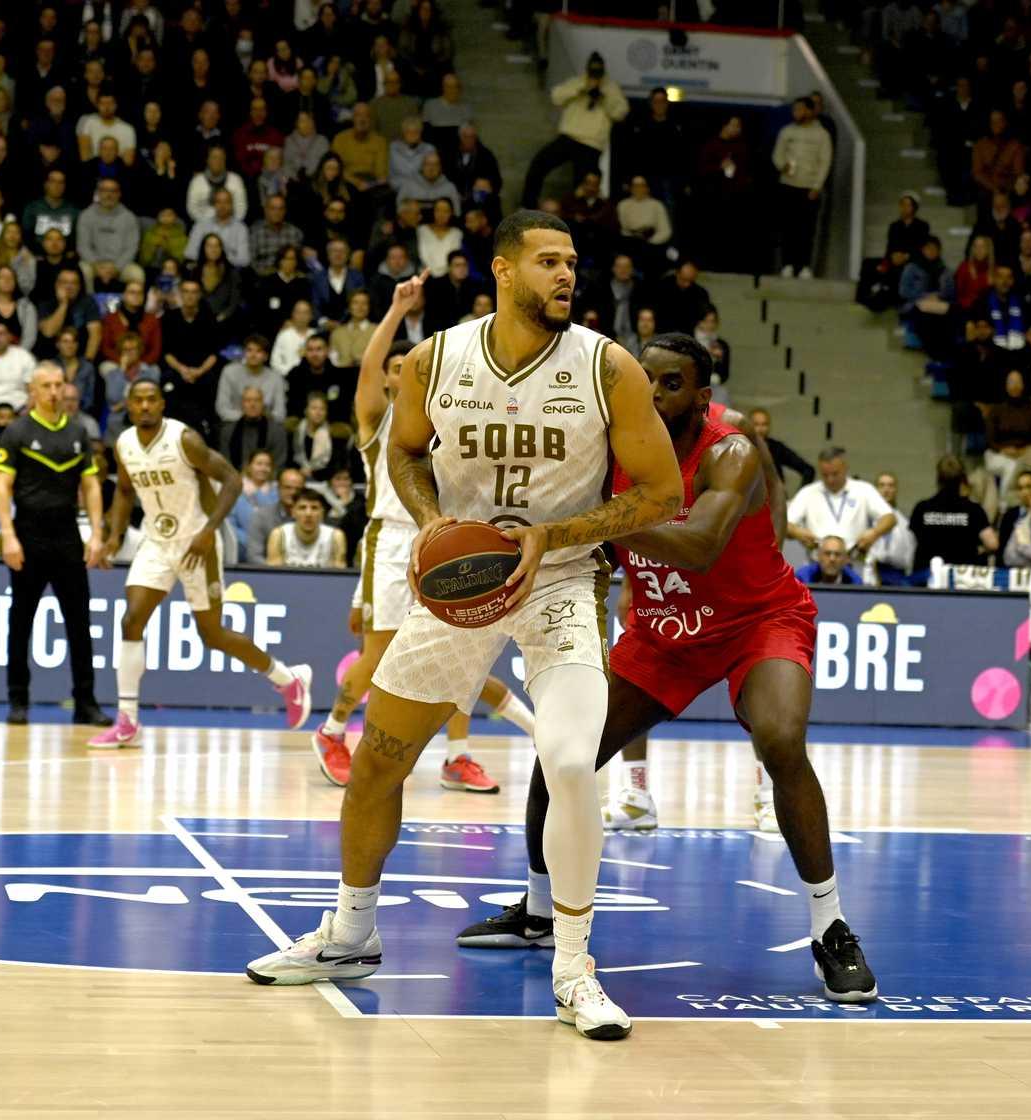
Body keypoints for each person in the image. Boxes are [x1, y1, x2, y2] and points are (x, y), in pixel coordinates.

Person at [245, 211, 684, 1044]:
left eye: (573, 264)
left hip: (561, 578)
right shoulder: (436, 358)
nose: (566, 275)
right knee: (379, 756)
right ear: (503, 270)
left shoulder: (606, 367)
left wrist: (551, 536)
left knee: (566, 761)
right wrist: (434, 525)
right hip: (463, 581)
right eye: (549, 261)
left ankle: (573, 966)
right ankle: (350, 932)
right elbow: (402, 453)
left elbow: (661, 494)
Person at [456, 333, 876, 1005]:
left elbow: (703, 545)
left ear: (701, 396)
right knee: (563, 749)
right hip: (663, 631)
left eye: (670, 384)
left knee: (780, 738)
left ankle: (831, 927)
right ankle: (540, 911)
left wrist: (589, 523)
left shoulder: (732, 450)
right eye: (643, 380)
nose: (651, 394)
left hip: (756, 619)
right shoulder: (609, 445)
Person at [309, 276, 533, 794]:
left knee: (458, 655)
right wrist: (395, 311)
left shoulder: (452, 419)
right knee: (380, 655)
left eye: (407, 367)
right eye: (395, 368)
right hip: (390, 543)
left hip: (446, 544)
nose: (399, 372)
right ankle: (333, 731)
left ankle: (458, 755)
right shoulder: (378, 417)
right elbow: (368, 369)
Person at [90, 379, 312, 749]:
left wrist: (210, 529)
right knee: (131, 619)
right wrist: (113, 535)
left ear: (162, 404)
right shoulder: (125, 444)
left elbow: (231, 480)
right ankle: (127, 719)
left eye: (151, 399)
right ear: (128, 406)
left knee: (212, 635)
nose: (145, 406)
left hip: (198, 543)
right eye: (138, 401)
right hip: (157, 541)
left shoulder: (184, 439)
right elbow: (126, 492)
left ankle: (288, 678)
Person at [0, 362, 112, 728]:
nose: (55, 392)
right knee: (20, 622)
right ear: (33, 391)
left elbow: (90, 485)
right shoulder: (17, 431)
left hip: (66, 536)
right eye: (47, 386)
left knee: (79, 623)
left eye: (60, 385)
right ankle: (18, 700)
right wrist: (8, 535)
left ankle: (86, 703)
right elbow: (1, 485)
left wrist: (96, 532)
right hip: (28, 533)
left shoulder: (78, 432)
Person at [519, 53, 626, 209]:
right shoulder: (578, 81)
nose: (594, 73)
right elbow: (556, 96)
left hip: (591, 145)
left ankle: (574, 221)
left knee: (582, 188)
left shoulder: (611, 88)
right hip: (568, 138)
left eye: (598, 70)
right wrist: (582, 87)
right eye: (592, 69)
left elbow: (620, 113)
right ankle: (527, 206)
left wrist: (604, 95)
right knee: (538, 164)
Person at [784, 446, 896, 561]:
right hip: (817, 563)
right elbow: (784, 524)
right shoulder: (808, 492)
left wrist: (874, 533)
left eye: (835, 474)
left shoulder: (863, 489)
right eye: (825, 475)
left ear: (845, 468)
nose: (830, 479)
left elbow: (890, 517)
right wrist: (797, 532)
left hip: (853, 561)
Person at [772, 97, 833, 278]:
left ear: (809, 111)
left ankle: (805, 265)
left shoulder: (822, 135)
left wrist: (817, 186)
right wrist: (782, 165)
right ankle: (787, 264)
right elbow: (777, 154)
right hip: (788, 185)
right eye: (794, 110)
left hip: (809, 188)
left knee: (806, 230)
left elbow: (825, 162)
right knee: (787, 227)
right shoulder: (787, 131)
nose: (796, 113)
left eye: (800, 110)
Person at [909, 456, 1000, 573]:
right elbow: (993, 544)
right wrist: (979, 549)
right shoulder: (974, 510)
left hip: (927, 576)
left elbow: (910, 542)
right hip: (962, 577)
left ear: (938, 479)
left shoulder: (922, 508)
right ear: (962, 480)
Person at [266, 486, 347, 567]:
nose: (308, 514)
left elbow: (339, 576)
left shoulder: (335, 537)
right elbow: (274, 576)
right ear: (293, 512)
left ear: (322, 513)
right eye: (302, 508)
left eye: (314, 508)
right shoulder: (279, 535)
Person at [797, 534, 863, 584]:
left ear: (846, 559)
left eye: (837, 554)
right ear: (818, 556)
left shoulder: (855, 582)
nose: (832, 559)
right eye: (827, 553)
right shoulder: (802, 580)